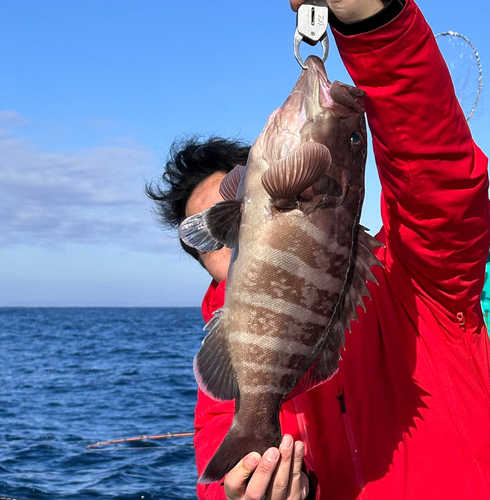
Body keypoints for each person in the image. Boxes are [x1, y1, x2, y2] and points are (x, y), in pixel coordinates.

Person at [148, 0, 490, 498]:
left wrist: (375, 23)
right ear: (202, 256)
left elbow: (438, 181)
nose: (235, 231)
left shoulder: (420, 287)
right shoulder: (235, 378)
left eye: (234, 203)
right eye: (212, 228)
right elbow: (217, 469)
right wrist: (239, 495)